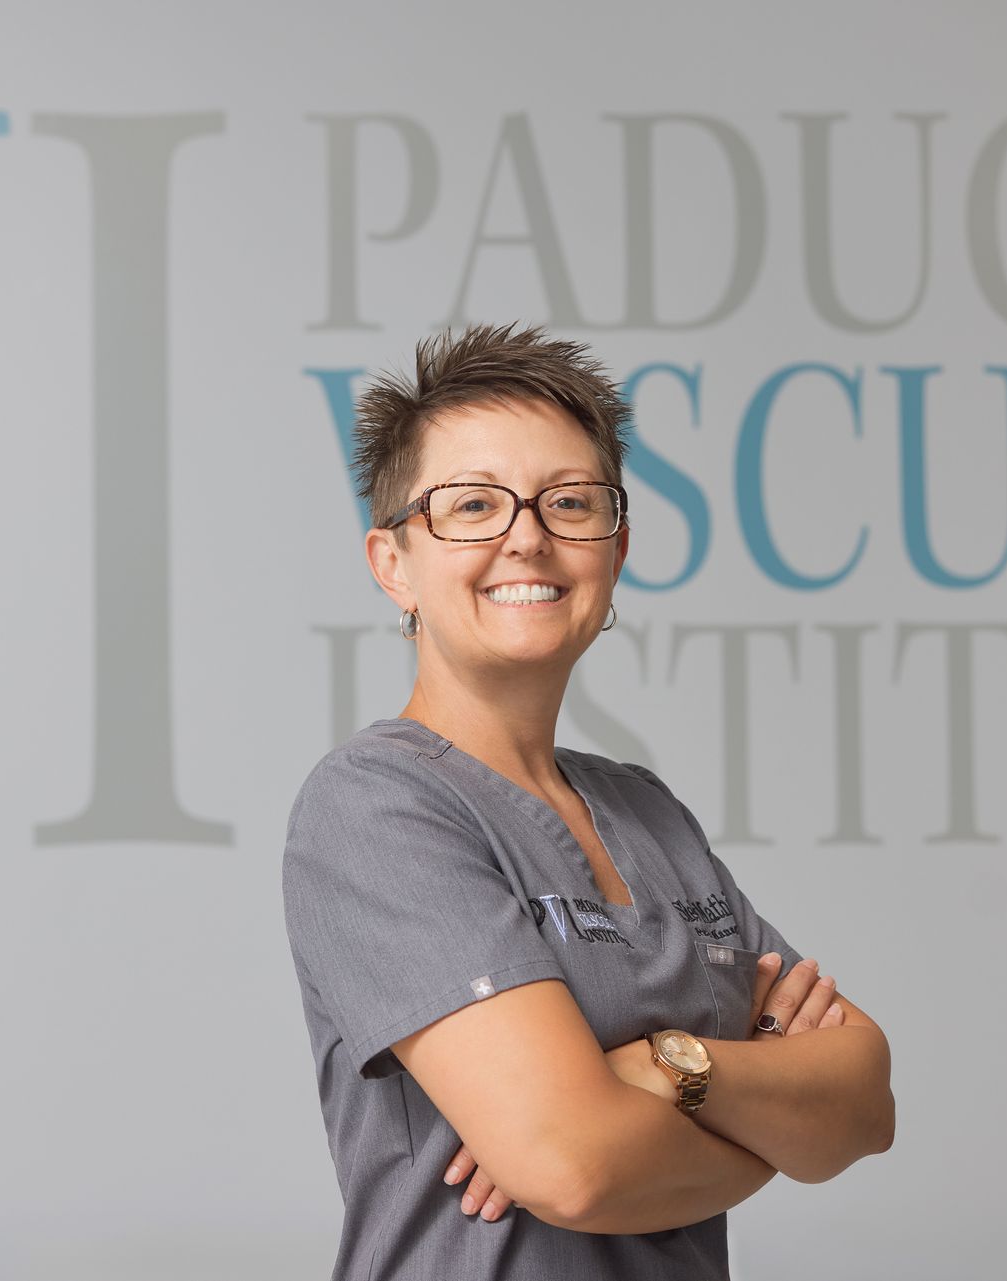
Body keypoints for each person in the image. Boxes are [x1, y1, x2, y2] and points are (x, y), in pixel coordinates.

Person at [280, 323, 894, 1280]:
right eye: (472, 505)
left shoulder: (648, 812)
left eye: (569, 502)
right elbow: (573, 1167)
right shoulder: (375, 805)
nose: (527, 534)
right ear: (392, 561)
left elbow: (861, 1104)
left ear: (614, 549)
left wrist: (666, 1065)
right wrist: (762, 1120)